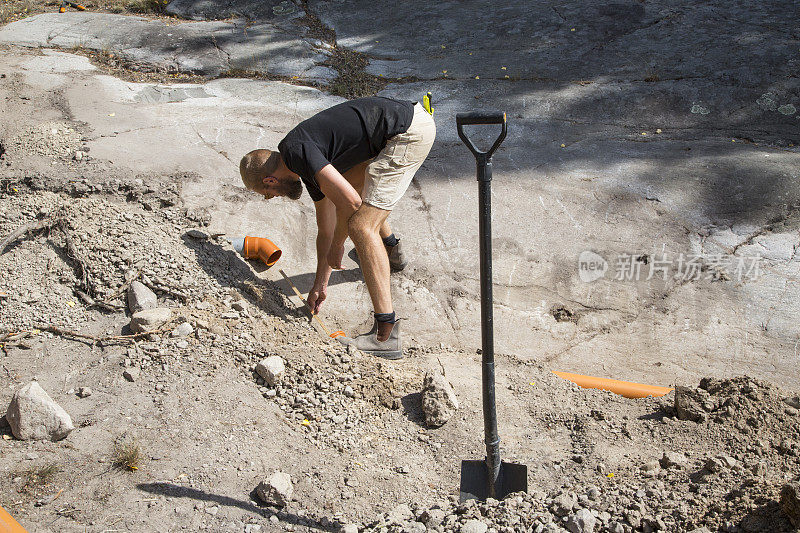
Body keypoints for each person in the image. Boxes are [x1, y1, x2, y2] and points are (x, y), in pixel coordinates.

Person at [239, 96, 436, 359]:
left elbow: (352, 205)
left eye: (266, 192)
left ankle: (385, 336)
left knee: (361, 226)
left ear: (271, 180)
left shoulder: (296, 151)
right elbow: (326, 228)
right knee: (351, 186)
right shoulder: (303, 164)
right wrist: (321, 283)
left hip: (405, 133)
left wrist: (338, 246)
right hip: (402, 125)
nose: (269, 197)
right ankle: (391, 251)